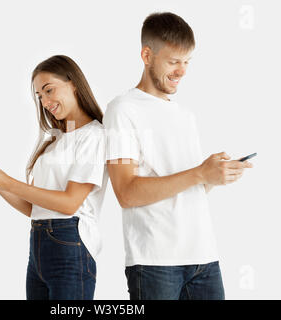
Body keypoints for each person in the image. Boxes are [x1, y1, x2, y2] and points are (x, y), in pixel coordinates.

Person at [103, 12, 254, 300]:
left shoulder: (185, 115)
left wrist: (213, 176)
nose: (182, 71)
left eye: (187, 62)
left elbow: (185, 187)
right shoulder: (122, 109)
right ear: (147, 55)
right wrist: (199, 173)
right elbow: (126, 192)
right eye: (173, 62)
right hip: (155, 264)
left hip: (204, 257)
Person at [0, 55, 108, 300]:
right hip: (39, 244)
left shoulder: (93, 135)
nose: (45, 101)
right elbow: (34, 208)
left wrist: (6, 181)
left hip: (70, 243)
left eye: (49, 90)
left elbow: (69, 203)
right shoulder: (55, 140)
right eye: (39, 96)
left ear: (73, 83)